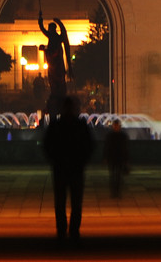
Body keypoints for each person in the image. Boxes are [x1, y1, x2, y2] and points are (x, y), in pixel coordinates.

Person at [42, 96, 93, 242]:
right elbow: (89, 145)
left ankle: (63, 230)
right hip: (74, 168)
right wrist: (82, 161)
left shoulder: (56, 125)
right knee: (74, 202)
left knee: (62, 202)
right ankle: (73, 230)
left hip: (61, 168)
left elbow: (47, 145)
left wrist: (54, 160)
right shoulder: (80, 125)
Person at [38, 13, 72, 111]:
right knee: (53, 82)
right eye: (49, 29)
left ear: (53, 29)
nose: (48, 30)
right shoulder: (51, 36)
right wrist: (40, 19)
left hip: (57, 65)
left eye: (50, 28)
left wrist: (45, 50)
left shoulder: (57, 38)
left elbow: (54, 53)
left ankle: (58, 98)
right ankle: (55, 96)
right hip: (53, 66)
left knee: (58, 82)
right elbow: (42, 29)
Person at [103, 119, 129, 199]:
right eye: (115, 126)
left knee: (118, 176)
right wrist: (106, 158)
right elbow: (106, 147)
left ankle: (117, 191)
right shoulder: (114, 136)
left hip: (119, 158)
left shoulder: (117, 136)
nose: (116, 127)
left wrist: (126, 159)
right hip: (113, 158)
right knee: (113, 175)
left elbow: (126, 148)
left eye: (117, 126)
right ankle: (114, 192)